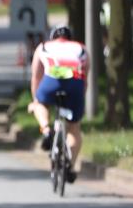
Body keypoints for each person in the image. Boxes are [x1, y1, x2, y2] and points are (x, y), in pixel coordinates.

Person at [28, 25, 89, 184]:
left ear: (52, 37)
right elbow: (85, 78)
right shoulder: (81, 48)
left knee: (40, 104)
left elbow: (36, 76)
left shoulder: (43, 46)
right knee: (74, 128)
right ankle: (70, 166)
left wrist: (36, 100)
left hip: (52, 79)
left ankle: (46, 130)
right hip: (75, 82)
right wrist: (79, 101)